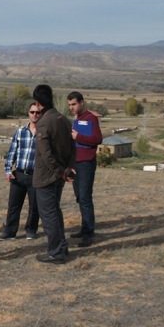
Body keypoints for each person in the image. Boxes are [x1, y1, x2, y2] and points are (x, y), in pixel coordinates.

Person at [31, 84, 76, 264]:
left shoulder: (43, 123)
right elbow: (73, 147)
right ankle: (62, 246)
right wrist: (68, 169)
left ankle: (56, 252)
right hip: (60, 175)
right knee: (55, 212)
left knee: (49, 214)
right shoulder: (64, 120)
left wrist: (59, 172)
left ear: (38, 103)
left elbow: (46, 154)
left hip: (47, 177)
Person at [0, 103, 41, 240]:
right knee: (13, 205)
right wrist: (8, 170)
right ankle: (10, 232)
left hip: (36, 175)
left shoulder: (44, 133)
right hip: (19, 173)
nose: (35, 115)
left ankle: (31, 230)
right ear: (28, 113)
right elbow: (12, 152)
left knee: (34, 206)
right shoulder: (20, 131)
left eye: (37, 112)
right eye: (32, 112)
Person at [67, 91, 103, 247]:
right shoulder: (76, 120)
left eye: (74, 104)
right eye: (69, 105)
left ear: (82, 102)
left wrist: (77, 137)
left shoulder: (91, 118)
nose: (71, 108)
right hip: (75, 163)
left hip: (86, 163)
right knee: (79, 197)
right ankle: (84, 228)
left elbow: (97, 139)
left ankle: (89, 234)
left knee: (86, 198)